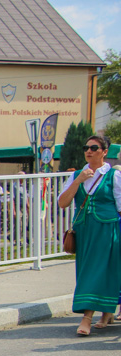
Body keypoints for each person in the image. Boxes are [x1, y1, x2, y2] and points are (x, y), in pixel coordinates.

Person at [57, 135, 121, 335]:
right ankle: (104, 313)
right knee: (87, 271)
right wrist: (78, 180)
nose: (89, 151)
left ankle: (87, 318)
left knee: (101, 270)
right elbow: (63, 202)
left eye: (94, 147)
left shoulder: (114, 176)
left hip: (107, 229)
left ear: (104, 152)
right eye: (86, 147)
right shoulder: (77, 174)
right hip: (85, 230)